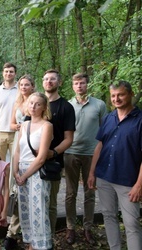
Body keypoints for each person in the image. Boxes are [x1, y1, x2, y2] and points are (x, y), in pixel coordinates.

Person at [87, 80, 142, 250]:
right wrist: (92, 172)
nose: (116, 99)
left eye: (121, 94)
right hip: (104, 177)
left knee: (131, 224)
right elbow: (100, 146)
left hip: (128, 181)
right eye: (113, 96)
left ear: (131, 94)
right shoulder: (108, 118)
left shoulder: (140, 120)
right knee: (109, 216)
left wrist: (139, 185)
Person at [63, 73, 107, 245]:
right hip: (71, 152)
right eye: (76, 83)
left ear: (87, 84)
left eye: (82, 83)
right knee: (70, 193)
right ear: (72, 86)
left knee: (89, 192)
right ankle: (70, 227)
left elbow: (105, 130)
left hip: (92, 153)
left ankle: (88, 228)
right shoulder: (68, 105)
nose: (79, 86)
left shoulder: (99, 105)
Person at [13, 92, 54, 250]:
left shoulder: (47, 126)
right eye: (31, 103)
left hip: (36, 173)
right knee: (26, 211)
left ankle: (42, 246)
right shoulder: (24, 125)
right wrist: (16, 172)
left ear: (44, 107)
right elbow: (17, 151)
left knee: (39, 210)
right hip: (21, 172)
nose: (33, 107)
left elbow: (42, 157)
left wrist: (24, 175)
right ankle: (31, 244)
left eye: (38, 104)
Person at [42, 69, 75, 234]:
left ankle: (48, 238)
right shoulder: (36, 103)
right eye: (46, 79)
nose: (49, 81)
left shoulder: (66, 107)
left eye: (52, 79)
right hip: (33, 161)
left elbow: (68, 138)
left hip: (53, 163)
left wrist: (53, 153)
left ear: (59, 82)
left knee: (51, 204)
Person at [4, 74, 35, 248]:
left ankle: (19, 232)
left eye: (27, 84)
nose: (23, 87)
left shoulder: (36, 101)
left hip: (31, 142)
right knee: (15, 187)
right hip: (17, 140)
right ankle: (13, 232)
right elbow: (11, 124)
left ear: (32, 86)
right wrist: (18, 126)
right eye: (21, 84)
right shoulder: (16, 102)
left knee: (28, 186)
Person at [0, 62, 18, 161]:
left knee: (16, 162)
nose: (8, 74)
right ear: (3, 73)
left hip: (16, 132)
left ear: (15, 74)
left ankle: (15, 177)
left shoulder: (21, 90)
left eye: (11, 72)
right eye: (6, 71)